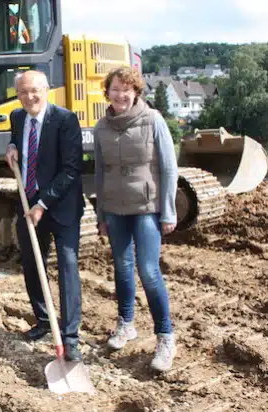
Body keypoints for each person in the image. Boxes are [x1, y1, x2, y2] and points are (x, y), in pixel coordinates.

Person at [94, 66, 178, 372]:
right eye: (114, 89)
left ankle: (166, 335)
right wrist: (101, 213)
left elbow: (169, 168)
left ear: (136, 92)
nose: (120, 95)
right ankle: (126, 323)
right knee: (122, 267)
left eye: (125, 89)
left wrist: (168, 211)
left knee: (148, 270)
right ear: (108, 93)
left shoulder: (153, 120)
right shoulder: (101, 126)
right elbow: (100, 173)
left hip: (147, 207)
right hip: (115, 209)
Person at [5, 70, 85, 361]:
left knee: (67, 266)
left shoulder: (65, 120)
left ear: (47, 90)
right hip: (28, 203)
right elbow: (18, 141)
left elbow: (71, 169)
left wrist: (43, 204)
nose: (30, 97)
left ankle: (70, 336)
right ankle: (43, 320)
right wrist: (12, 146)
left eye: (35, 91)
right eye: (24, 92)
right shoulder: (17, 116)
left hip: (61, 207)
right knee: (31, 263)